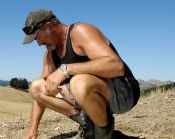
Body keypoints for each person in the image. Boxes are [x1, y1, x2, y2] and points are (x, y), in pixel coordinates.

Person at [21, 9, 140, 139]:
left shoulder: (79, 31)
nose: (39, 44)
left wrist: (66, 70)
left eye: (38, 37)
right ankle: (88, 126)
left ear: (49, 26)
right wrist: (32, 130)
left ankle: (103, 134)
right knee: (37, 86)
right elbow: (40, 94)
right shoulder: (50, 54)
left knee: (78, 82)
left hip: (124, 92)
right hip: (91, 97)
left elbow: (116, 66)